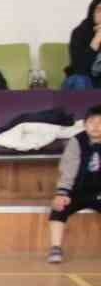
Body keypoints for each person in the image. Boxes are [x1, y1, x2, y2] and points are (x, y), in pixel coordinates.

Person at [47, 104, 101, 264]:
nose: (96, 127)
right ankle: (56, 248)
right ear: (84, 124)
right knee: (58, 208)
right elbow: (68, 169)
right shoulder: (77, 141)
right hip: (78, 190)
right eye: (92, 122)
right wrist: (62, 193)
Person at [63, 0, 101, 90]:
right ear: (92, 12)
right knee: (79, 80)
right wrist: (97, 38)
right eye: (99, 10)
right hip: (81, 81)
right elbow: (80, 69)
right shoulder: (80, 32)